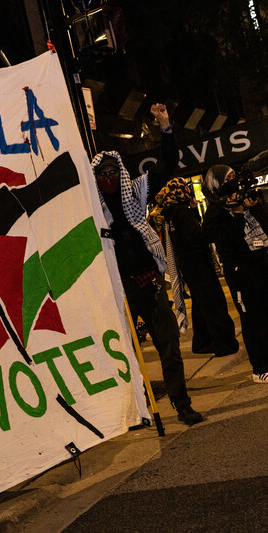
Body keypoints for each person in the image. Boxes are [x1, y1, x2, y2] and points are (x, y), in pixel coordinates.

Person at [91, 103, 203, 426]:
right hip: (119, 291)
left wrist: (166, 128)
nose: (110, 179)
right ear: (96, 178)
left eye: (114, 173)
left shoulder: (136, 192)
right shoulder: (94, 209)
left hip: (150, 282)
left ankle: (182, 405)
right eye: (103, 174)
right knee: (125, 354)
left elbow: (167, 165)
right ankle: (137, 411)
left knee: (169, 345)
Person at [201, 165, 268, 383]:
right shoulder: (214, 213)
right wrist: (237, 214)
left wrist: (255, 207)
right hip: (240, 269)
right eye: (227, 178)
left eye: (233, 175)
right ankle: (260, 368)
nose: (233, 180)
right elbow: (228, 241)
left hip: (261, 260)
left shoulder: (243, 199)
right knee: (251, 319)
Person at [159, 177, 238, 357]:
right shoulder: (181, 211)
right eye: (185, 187)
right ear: (180, 191)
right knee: (213, 303)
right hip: (198, 264)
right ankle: (224, 344)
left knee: (201, 304)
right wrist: (211, 232)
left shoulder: (171, 213)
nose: (189, 190)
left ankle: (202, 342)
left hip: (188, 265)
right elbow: (196, 236)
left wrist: (194, 213)